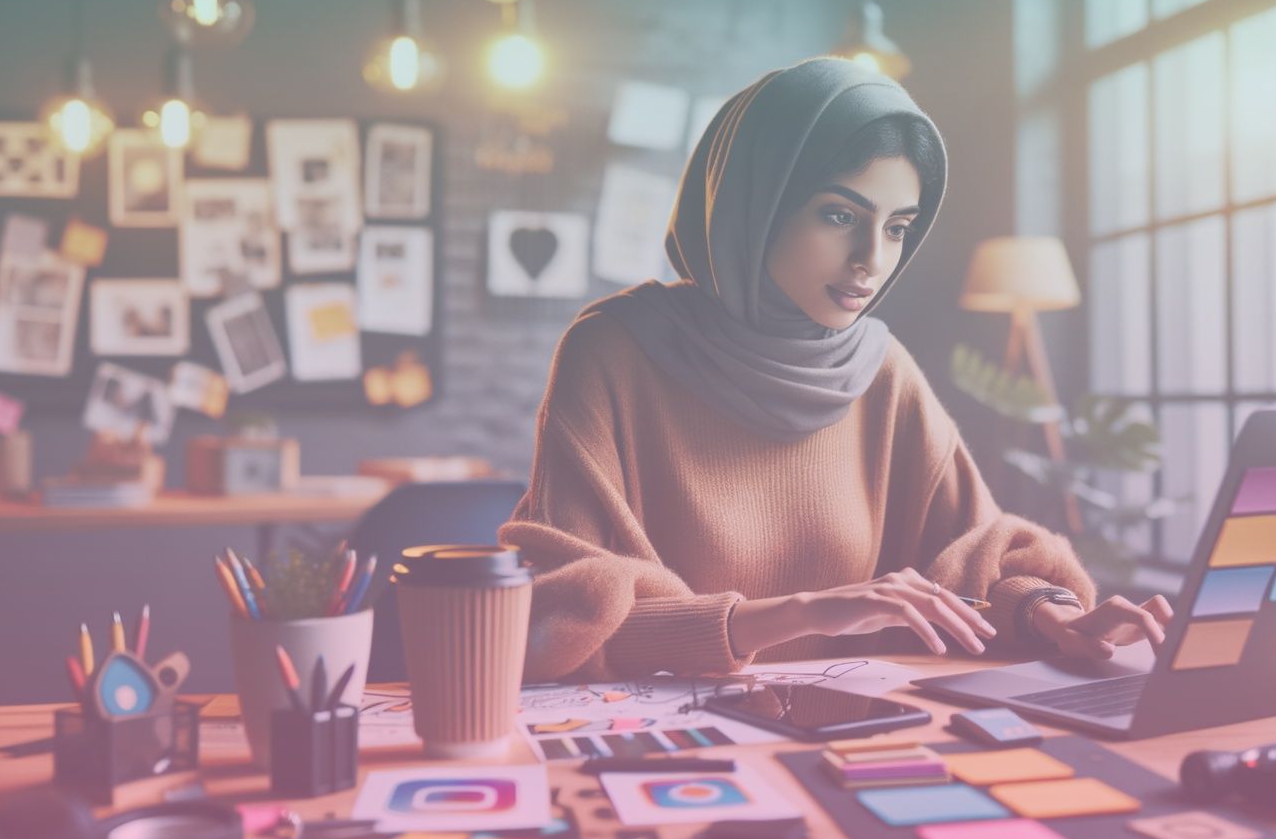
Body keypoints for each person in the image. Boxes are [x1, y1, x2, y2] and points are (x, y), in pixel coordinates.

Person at [502, 57, 1173, 682]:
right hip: (670, 756)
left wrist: (1046, 613)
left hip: (863, 738)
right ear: (753, 206)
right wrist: (802, 613)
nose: (870, 260)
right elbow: (559, 621)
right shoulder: (614, 352)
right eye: (839, 215)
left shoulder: (883, 370)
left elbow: (973, 562)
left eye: (895, 227)